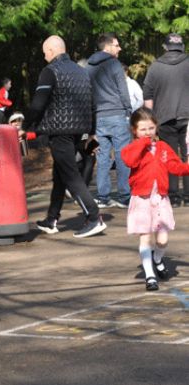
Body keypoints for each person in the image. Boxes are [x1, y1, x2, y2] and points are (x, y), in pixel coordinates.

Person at [23, 35, 106, 238]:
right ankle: (52, 219)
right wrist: (91, 133)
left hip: (60, 132)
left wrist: (25, 126)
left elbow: (38, 104)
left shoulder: (50, 71)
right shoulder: (82, 72)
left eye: (45, 53)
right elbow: (93, 105)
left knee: (70, 175)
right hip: (81, 131)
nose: (44, 57)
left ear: (51, 51)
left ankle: (94, 217)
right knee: (60, 174)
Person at [121, 108, 189, 291]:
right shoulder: (132, 149)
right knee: (145, 238)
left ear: (156, 127)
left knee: (162, 240)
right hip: (141, 200)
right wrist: (143, 143)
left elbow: (175, 167)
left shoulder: (163, 148)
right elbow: (130, 161)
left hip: (160, 200)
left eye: (151, 128)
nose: (147, 132)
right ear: (134, 130)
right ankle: (150, 276)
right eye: (142, 129)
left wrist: (187, 167)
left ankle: (157, 259)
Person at [143, 33, 189, 207]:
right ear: (182, 47)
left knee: (169, 157)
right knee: (187, 156)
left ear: (165, 47)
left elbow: (148, 95)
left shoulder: (155, 67)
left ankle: (174, 196)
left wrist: (150, 121)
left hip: (164, 118)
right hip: (188, 117)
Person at [87, 33, 132, 209]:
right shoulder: (114, 64)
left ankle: (103, 196)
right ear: (107, 47)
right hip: (117, 114)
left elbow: (88, 94)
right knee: (122, 156)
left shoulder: (89, 66)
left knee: (103, 157)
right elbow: (123, 90)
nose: (119, 48)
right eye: (117, 45)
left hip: (98, 116)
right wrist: (128, 110)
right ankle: (124, 196)